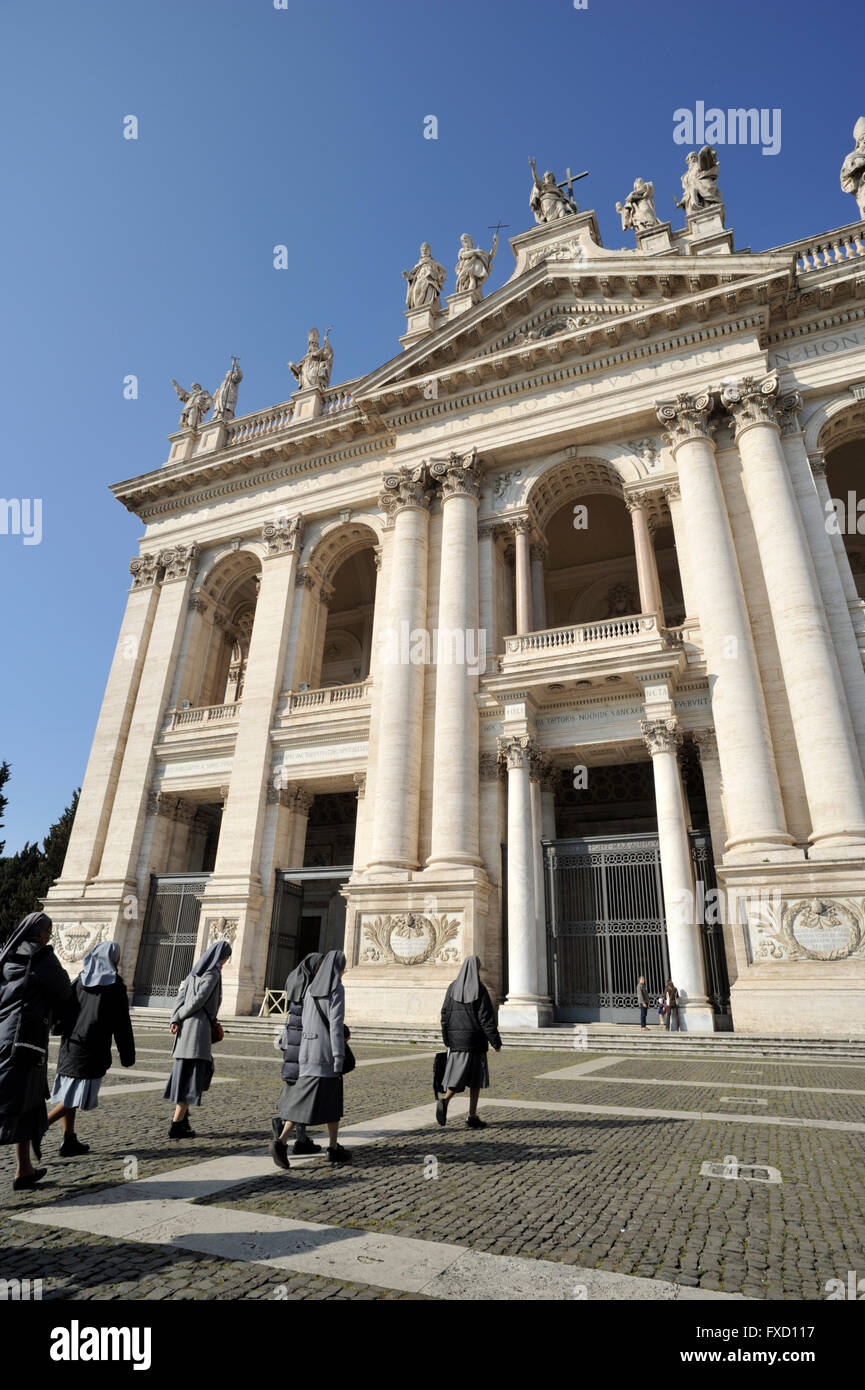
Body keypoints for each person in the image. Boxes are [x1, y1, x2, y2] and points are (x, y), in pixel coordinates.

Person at [0, 912, 72, 1190]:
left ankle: (24, 1170)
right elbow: (64, 991)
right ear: (40, 934)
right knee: (14, 1101)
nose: (50, 936)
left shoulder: (6, 955)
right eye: (49, 931)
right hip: (25, 1040)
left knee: (25, 1103)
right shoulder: (42, 958)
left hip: (4, 1034)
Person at [47, 940, 135, 1155]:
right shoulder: (114, 986)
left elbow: (63, 1009)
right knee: (75, 1098)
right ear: (114, 960)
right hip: (92, 1050)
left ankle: (69, 1140)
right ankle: (38, 1126)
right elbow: (122, 1024)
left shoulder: (80, 980)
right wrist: (127, 1055)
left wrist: (57, 1028)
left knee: (70, 1093)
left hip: (70, 1046)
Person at [280, 950, 351, 1165]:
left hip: (307, 1053)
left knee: (304, 1101)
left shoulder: (310, 989)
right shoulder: (336, 989)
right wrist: (339, 1056)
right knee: (331, 1102)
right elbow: (336, 1027)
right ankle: (284, 1141)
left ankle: (331, 1146)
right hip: (326, 1055)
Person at [163, 939, 231, 1139]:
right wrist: (183, 1015)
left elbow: (180, 997)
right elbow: (199, 999)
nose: (226, 961)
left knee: (186, 1073)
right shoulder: (212, 973)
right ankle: (176, 1125)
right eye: (226, 957)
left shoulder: (194, 973)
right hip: (197, 1031)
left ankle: (183, 1120)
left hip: (185, 1032)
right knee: (192, 1077)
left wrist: (175, 1018)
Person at [270, 951, 324, 1170]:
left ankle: (300, 1137)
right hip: (304, 1045)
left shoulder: (295, 984)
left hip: (290, 1044)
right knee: (303, 1092)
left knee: (293, 1088)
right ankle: (285, 1129)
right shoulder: (310, 989)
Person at [436, 956, 501, 1130]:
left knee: (458, 1075)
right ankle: (464, 1111)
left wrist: (447, 1039)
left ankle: (458, 1107)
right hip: (475, 1042)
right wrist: (495, 1042)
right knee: (475, 1080)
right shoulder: (479, 990)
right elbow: (486, 1018)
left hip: (457, 1042)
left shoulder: (452, 988)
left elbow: (444, 1015)